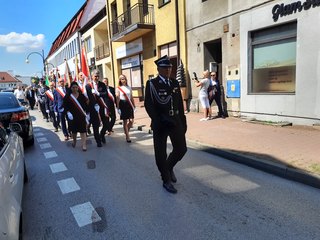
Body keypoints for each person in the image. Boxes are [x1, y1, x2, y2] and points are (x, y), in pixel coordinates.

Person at [144, 55, 187, 194]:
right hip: (160, 123)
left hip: (175, 120)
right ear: (158, 69)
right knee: (160, 153)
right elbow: (149, 104)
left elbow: (179, 104)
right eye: (165, 68)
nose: (168, 70)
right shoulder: (151, 84)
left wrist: (183, 121)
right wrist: (157, 120)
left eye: (169, 67)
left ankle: (169, 167)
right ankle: (166, 180)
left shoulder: (174, 83)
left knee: (181, 149)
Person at [63, 82, 89, 151]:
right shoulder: (68, 96)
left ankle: (84, 145)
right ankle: (74, 141)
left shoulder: (81, 96)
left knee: (83, 131)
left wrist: (87, 113)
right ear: (71, 88)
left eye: (76, 87)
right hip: (73, 116)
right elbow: (65, 106)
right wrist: (68, 113)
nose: (75, 89)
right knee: (74, 131)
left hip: (81, 116)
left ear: (78, 88)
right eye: (73, 87)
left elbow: (86, 105)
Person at [116, 74, 135, 143]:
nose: (123, 80)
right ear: (119, 80)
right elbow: (117, 98)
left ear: (126, 79)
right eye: (121, 79)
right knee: (125, 121)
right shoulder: (118, 88)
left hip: (129, 104)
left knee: (131, 121)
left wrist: (134, 105)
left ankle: (126, 130)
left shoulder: (129, 87)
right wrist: (118, 108)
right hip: (123, 104)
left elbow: (131, 97)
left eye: (123, 78)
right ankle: (127, 136)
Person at [85, 70, 103, 147]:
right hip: (92, 109)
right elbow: (87, 98)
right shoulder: (88, 86)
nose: (97, 77)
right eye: (95, 76)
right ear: (92, 77)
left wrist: (98, 93)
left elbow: (104, 93)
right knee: (95, 125)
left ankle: (99, 138)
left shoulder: (101, 84)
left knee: (98, 125)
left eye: (98, 76)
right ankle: (98, 141)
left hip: (101, 107)